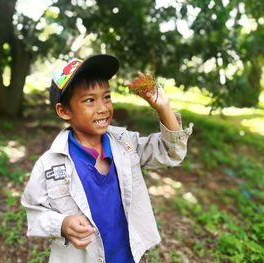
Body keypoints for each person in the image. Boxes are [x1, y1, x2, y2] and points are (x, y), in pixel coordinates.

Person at [21, 54, 193, 263]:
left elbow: (171, 152)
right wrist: (62, 224)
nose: (103, 108)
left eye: (107, 97)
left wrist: (164, 108)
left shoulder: (126, 144)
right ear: (64, 111)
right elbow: (34, 212)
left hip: (126, 257)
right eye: (89, 100)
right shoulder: (49, 164)